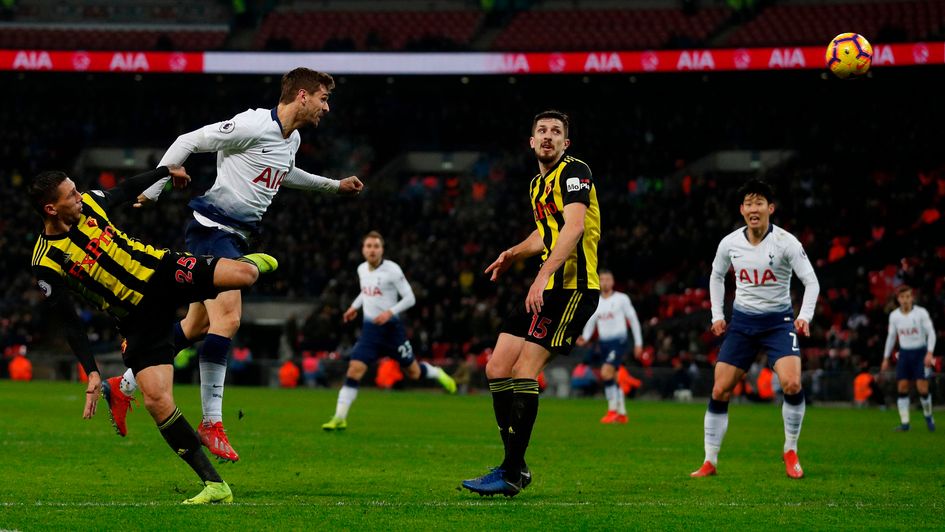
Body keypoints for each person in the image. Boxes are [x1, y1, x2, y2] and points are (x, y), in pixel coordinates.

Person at [102, 67, 364, 462]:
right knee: (229, 320)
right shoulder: (253, 124)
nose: (327, 108)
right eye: (323, 99)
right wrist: (154, 189)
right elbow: (188, 140)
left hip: (235, 237)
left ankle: (122, 386)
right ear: (303, 96)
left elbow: (284, 174)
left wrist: (334, 186)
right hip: (213, 230)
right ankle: (211, 422)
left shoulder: (290, 139)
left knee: (196, 326)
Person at [28, 166, 278, 504]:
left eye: (76, 189)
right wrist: (91, 371)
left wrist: (165, 171)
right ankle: (215, 486)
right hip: (136, 320)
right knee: (157, 401)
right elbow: (69, 322)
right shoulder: (46, 262)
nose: (79, 196)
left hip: (162, 272)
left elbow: (125, 188)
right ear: (51, 208)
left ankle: (250, 261)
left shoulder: (91, 205)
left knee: (245, 276)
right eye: (71, 195)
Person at [461, 110, 601, 497]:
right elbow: (546, 233)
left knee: (525, 370)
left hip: (572, 289)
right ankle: (515, 465)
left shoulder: (575, 172)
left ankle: (510, 472)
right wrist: (514, 253)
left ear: (565, 143)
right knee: (497, 367)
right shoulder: (537, 185)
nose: (548, 136)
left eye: (556, 131)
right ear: (531, 141)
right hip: (547, 285)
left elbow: (573, 227)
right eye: (542, 130)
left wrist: (540, 277)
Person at [691, 179, 819, 480]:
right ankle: (710, 461)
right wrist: (717, 315)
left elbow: (811, 281)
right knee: (720, 389)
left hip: (778, 323)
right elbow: (716, 276)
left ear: (770, 208)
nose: (753, 209)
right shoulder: (729, 243)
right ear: (742, 210)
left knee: (792, 384)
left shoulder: (787, 242)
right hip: (743, 324)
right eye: (748, 203)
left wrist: (805, 316)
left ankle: (790, 450)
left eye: (759, 203)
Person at [322, 231, 456, 431]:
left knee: (414, 373)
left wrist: (389, 312)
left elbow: (410, 298)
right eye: (369, 246)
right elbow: (365, 291)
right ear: (363, 250)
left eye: (376, 246)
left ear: (382, 249)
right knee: (354, 369)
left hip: (392, 331)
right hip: (370, 332)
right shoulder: (361, 269)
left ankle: (437, 373)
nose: (372, 250)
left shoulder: (392, 270)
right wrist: (353, 307)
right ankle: (340, 417)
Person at [576, 270, 644, 424]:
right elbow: (591, 322)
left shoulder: (621, 299)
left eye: (608, 279)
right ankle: (622, 413)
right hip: (604, 344)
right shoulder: (597, 301)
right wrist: (585, 337)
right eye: (602, 279)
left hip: (618, 341)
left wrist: (638, 343)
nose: (605, 282)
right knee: (613, 376)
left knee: (605, 372)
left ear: (613, 282)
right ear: (598, 282)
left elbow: (633, 320)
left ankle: (612, 411)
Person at [881, 285, 936, 432]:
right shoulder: (894, 316)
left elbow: (931, 333)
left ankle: (928, 416)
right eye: (902, 297)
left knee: (922, 387)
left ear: (912, 298)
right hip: (904, 354)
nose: (905, 300)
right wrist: (886, 357)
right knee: (902, 386)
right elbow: (891, 337)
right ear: (898, 299)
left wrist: (929, 353)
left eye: (907, 296)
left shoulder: (921, 313)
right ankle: (905, 423)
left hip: (920, 353)